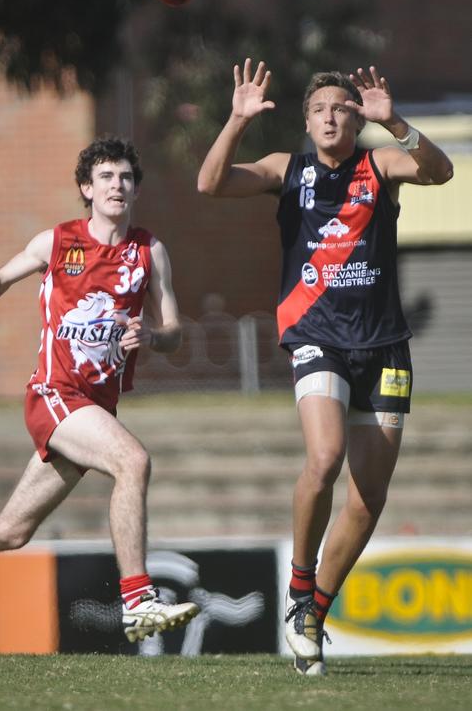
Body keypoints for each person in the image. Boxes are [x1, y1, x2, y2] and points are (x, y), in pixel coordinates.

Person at [0, 138, 199, 645]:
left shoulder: (149, 251)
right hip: (54, 393)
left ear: (135, 189)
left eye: (126, 177)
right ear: (86, 189)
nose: (117, 185)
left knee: (11, 530)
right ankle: (137, 602)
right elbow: (0, 277)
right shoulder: (58, 241)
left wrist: (155, 337)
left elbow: (175, 330)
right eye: (106, 177)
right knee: (133, 461)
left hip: (94, 407)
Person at [198, 59, 453, 675]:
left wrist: (398, 124)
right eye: (319, 109)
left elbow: (441, 172)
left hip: (385, 345)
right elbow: (209, 184)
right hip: (316, 337)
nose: (331, 116)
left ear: (356, 116)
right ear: (307, 122)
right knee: (324, 456)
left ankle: (312, 610)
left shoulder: (379, 164)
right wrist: (234, 121)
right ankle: (299, 581)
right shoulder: (288, 170)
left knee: (368, 499)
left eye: (342, 107)